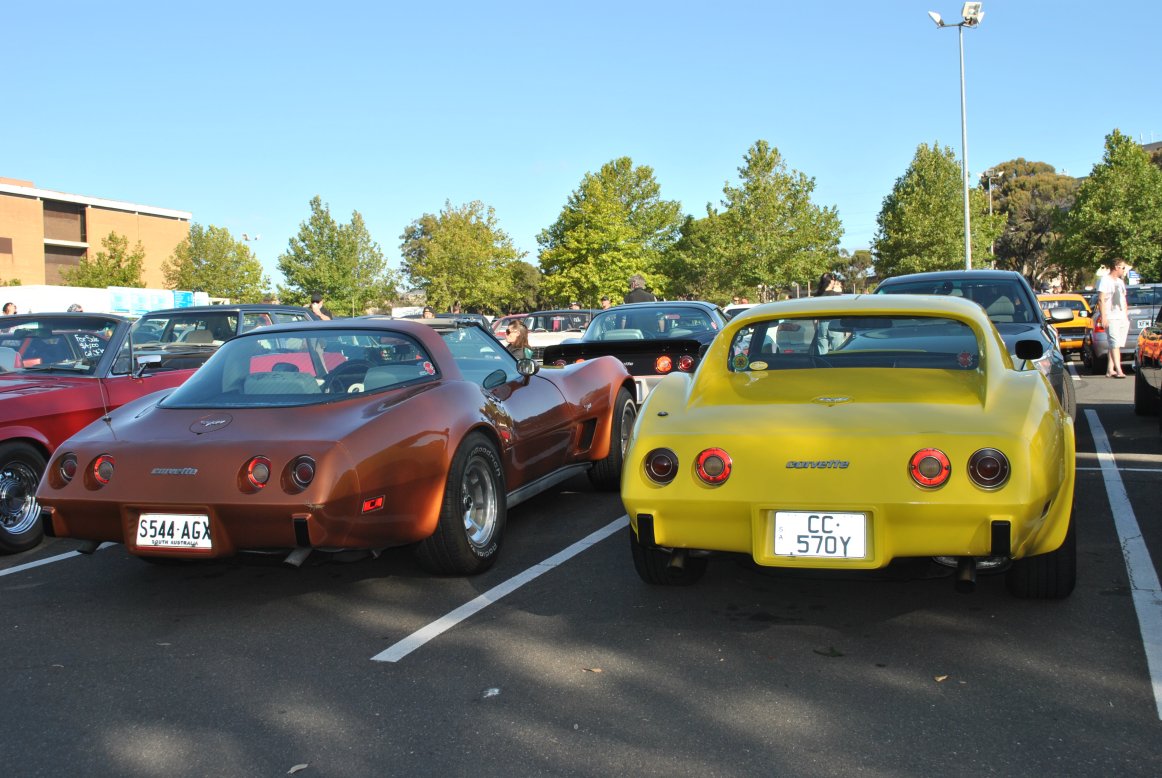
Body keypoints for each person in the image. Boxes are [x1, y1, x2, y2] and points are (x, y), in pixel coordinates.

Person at [1098, 258, 1130, 378]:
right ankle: (1119, 370)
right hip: (1111, 316)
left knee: (1116, 344)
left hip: (1121, 317)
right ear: (1116, 267)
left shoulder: (1120, 282)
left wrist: (1125, 316)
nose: (1124, 270)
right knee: (1114, 343)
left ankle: (1110, 369)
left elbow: (1123, 299)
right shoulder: (1105, 280)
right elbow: (1101, 299)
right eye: (1123, 268)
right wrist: (1103, 317)